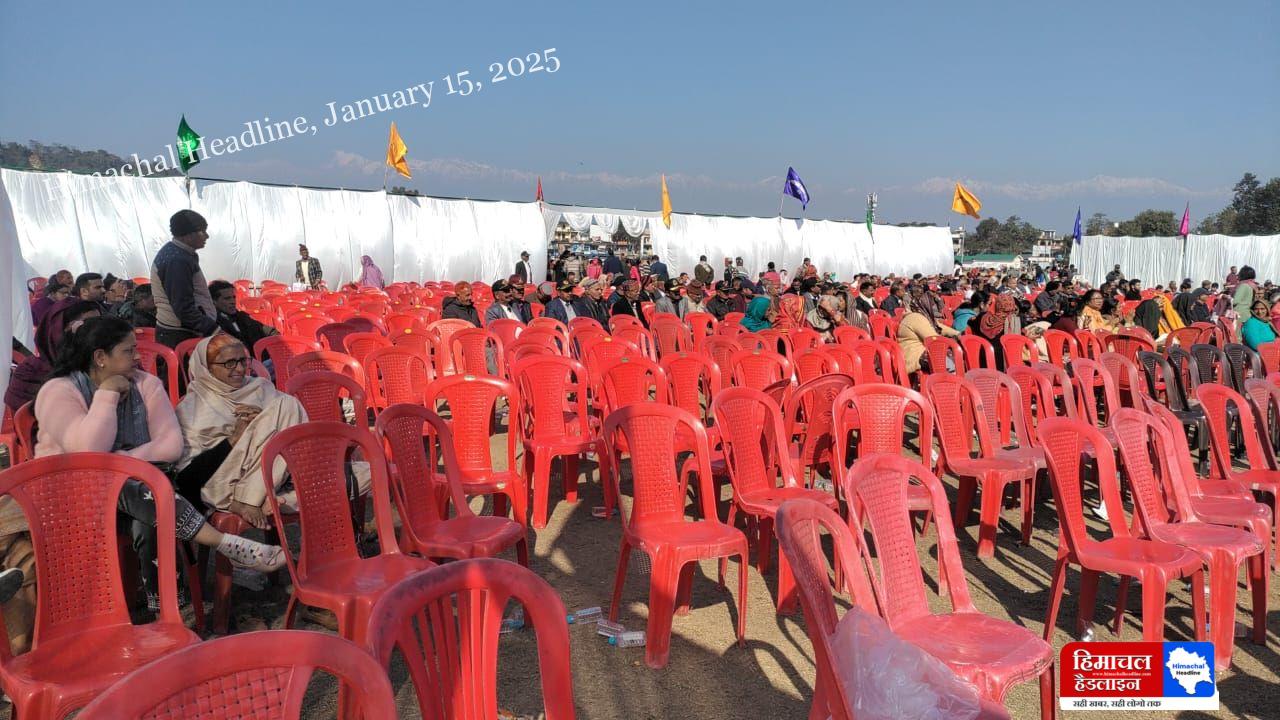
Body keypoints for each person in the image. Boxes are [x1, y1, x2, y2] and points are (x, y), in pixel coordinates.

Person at [33, 317, 285, 610]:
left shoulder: (146, 384)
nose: (138, 357)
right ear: (100, 357)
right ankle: (214, 552)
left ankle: (164, 611)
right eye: (128, 351)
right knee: (126, 485)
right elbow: (89, 450)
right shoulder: (59, 391)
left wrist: (115, 464)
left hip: (137, 494)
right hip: (72, 497)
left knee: (143, 512)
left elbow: (170, 447)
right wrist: (107, 394)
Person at [175, 334, 310, 527]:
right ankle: (253, 498)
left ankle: (258, 497)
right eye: (229, 363)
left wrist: (262, 419)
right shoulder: (191, 407)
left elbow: (288, 426)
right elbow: (189, 473)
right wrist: (236, 436)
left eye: (242, 361)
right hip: (222, 482)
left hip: (267, 472)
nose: (239, 369)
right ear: (207, 367)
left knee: (287, 405)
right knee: (285, 404)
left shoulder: (259, 387)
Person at [5, 299, 101, 414]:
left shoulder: (101, 361)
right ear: (61, 329)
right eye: (90, 324)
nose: (98, 330)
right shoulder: (30, 372)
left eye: (101, 323)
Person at [152, 209, 218, 348]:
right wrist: (212, 329)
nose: (207, 236)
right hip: (179, 334)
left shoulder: (180, 253)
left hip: (180, 331)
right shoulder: (177, 260)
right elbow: (183, 307)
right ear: (188, 235)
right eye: (202, 231)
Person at [209, 280, 276, 351]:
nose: (233, 301)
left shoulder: (242, 316)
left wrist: (278, 337)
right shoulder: (214, 324)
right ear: (214, 301)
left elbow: (263, 328)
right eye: (227, 298)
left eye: (234, 297)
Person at [898, 305, 961, 374]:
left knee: (952, 354)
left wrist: (957, 334)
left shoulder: (923, 316)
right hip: (915, 357)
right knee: (946, 357)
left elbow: (940, 327)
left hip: (923, 353)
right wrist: (952, 340)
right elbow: (934, 340)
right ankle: (949, 382)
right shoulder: (915, 317)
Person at [974, 294, 1020, 370]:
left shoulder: (983, 317)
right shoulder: (1014, 321)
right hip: (1004, 363)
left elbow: (971, 323)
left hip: (983, 358)